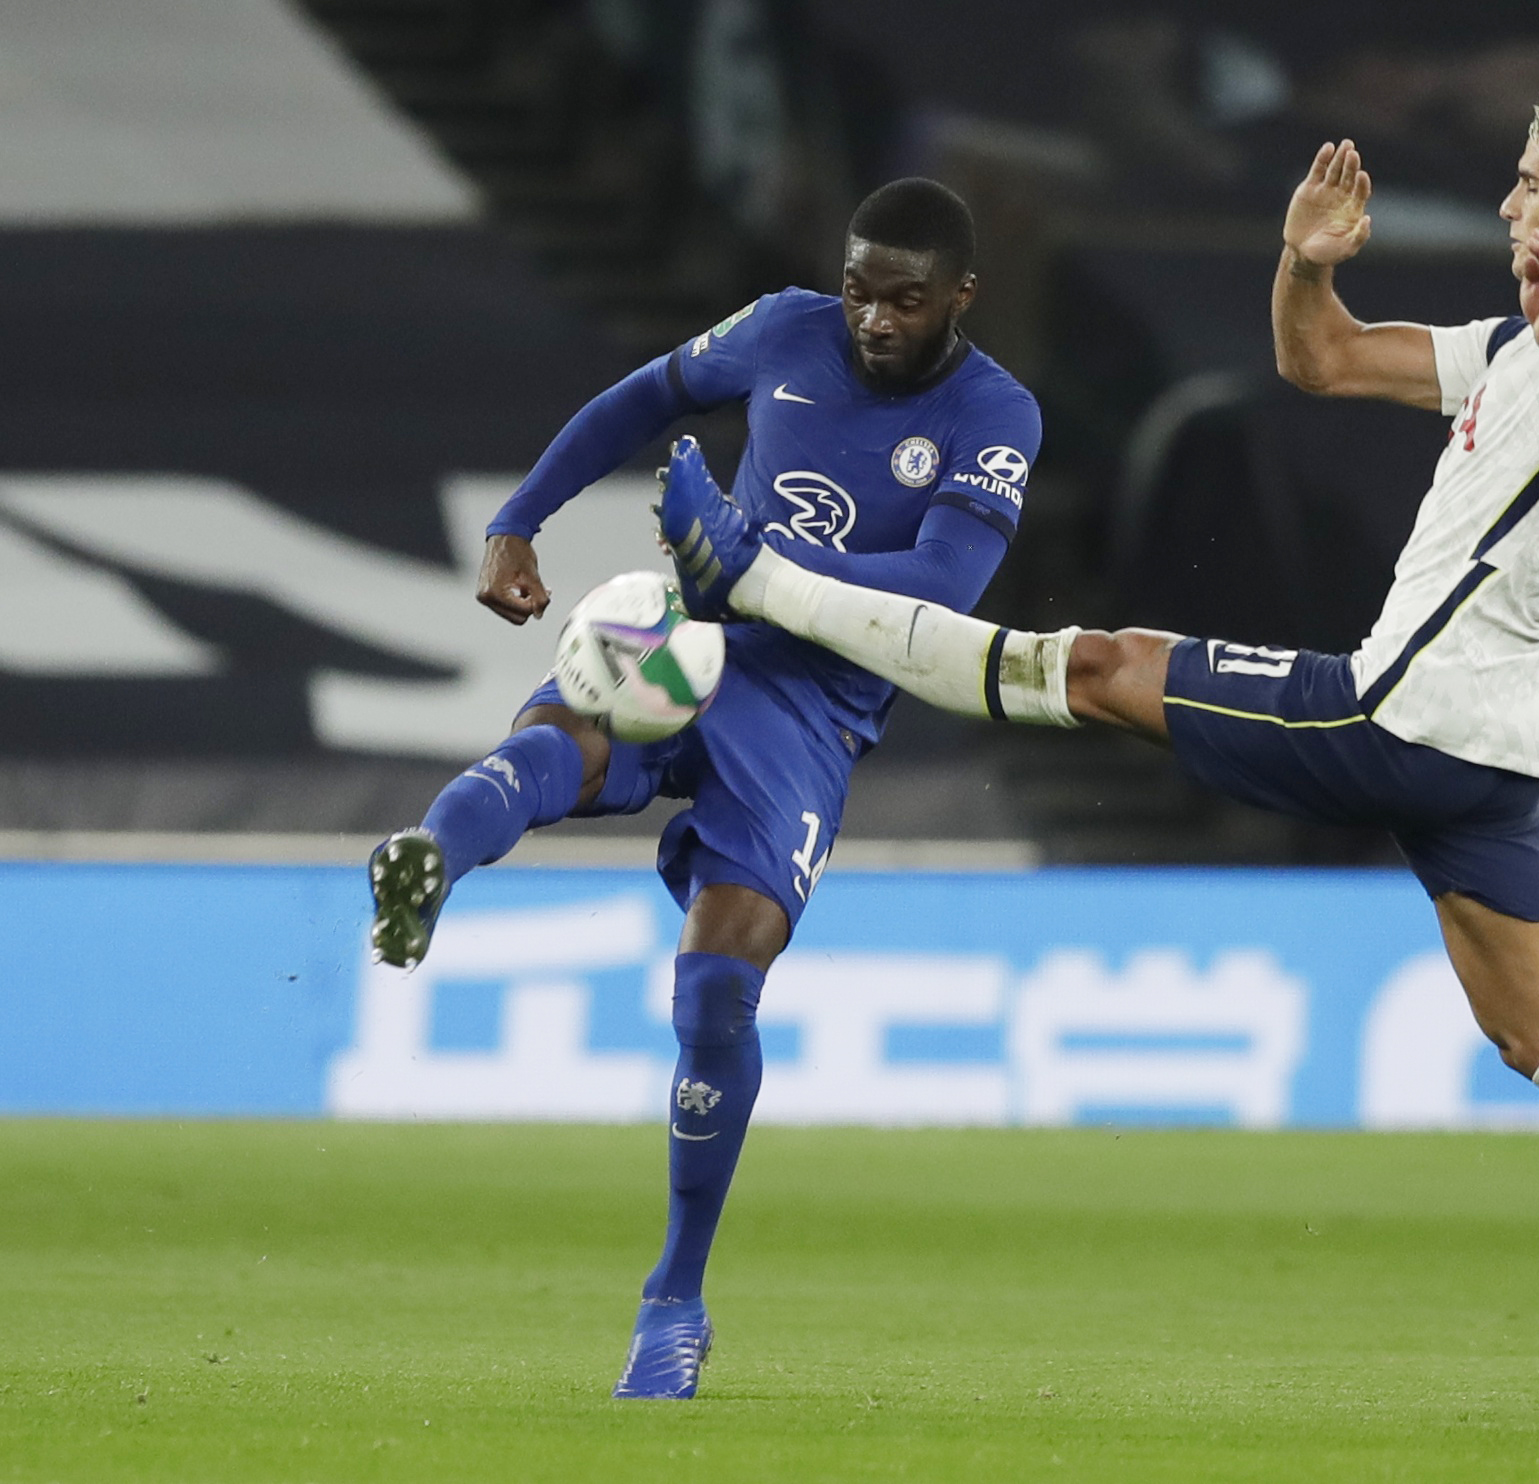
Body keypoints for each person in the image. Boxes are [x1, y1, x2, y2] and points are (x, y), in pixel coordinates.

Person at [656, 94, 1539, 1433]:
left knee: (1099, 668)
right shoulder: (1514, 347)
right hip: (1490, 750)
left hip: (1400, 713)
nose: (1507, 204)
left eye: (1531, 183)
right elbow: (1327, 363)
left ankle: (759, 579)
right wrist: (1307, 266)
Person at [364, 178, 1042, 1401]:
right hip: (688, 637)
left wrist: (754, 561)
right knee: (557, 737)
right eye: (858, 289)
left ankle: (673, 1299)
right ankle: (429, 855)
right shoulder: (785, 326)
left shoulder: (996, 411)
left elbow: (941, 581)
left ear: (960, 298)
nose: (873, 319)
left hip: (811, 709)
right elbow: (647, 395)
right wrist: (520, 518)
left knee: (719, 983)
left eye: (905, 298)